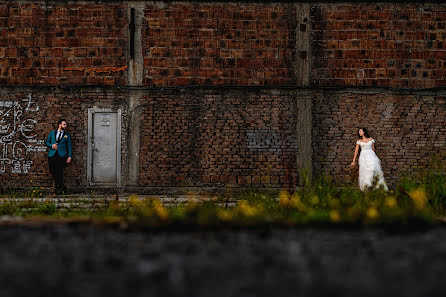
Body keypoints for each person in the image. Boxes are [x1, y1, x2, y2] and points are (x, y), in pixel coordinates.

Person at [350, 128, 388, 192]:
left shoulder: (371, 139)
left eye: (360, 131)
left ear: (364, 132)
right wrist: (353, 161)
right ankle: (368, 187)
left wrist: (374, 157)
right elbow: (356, 151)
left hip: (371, 155)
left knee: (373, 168)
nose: (359, 133)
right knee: (365, 172)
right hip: (363, 157)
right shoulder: (359, 141)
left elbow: (373, 149)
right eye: (359, 132)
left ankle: (376, 186)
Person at [46, 119, 72, 194]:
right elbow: (47, 142)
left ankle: (58, 189)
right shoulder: (52, 133)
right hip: (52, 155)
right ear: (60, 124)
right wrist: (52, 145)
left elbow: (69, 146)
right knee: (53, 171)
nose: (65, 126)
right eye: (64, 124)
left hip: (61, 155)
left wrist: (69, 156)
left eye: (66, 124)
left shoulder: (67, 135)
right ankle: (61, 187)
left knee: (59, 172)